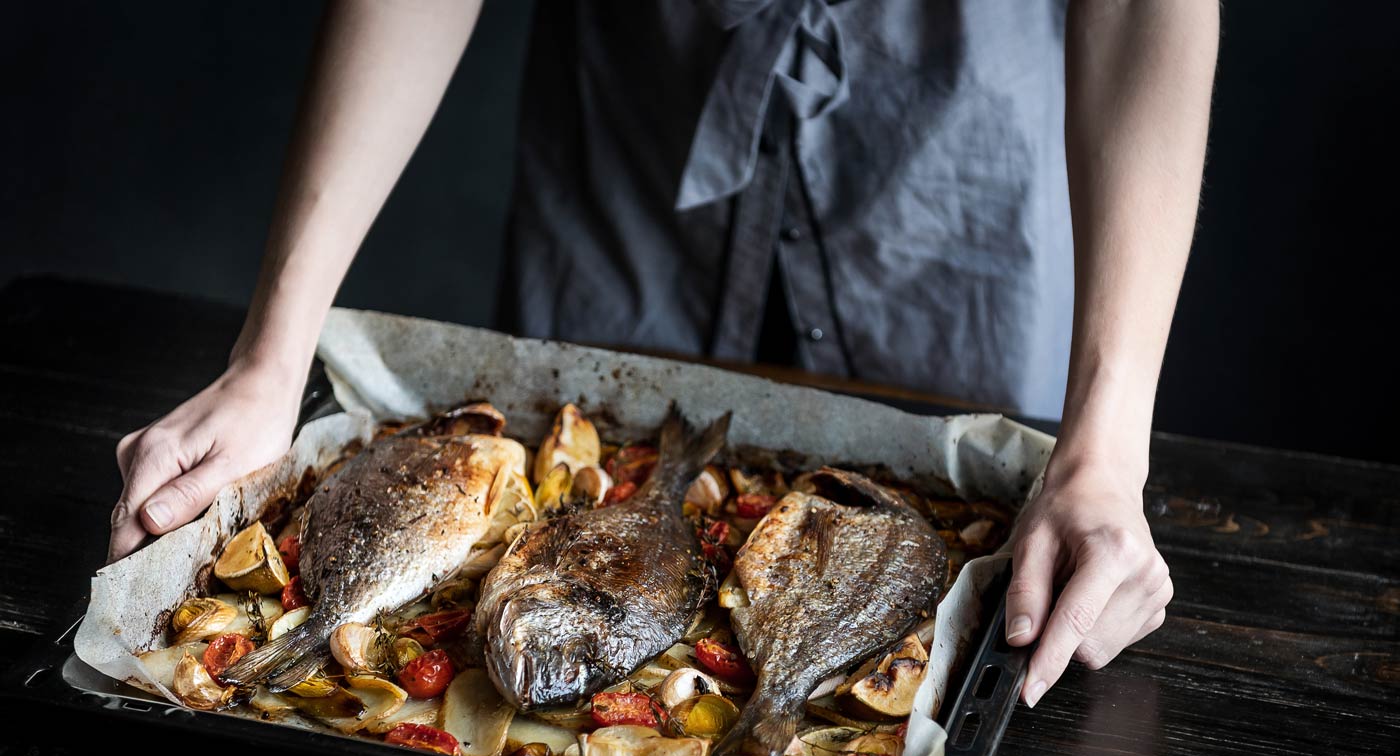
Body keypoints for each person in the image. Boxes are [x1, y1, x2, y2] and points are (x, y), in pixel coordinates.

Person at [108, 0, 1219, 709]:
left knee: (944, 559)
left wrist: (1107, 449)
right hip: (642, 134)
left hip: (950, 160)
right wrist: (272, 354)